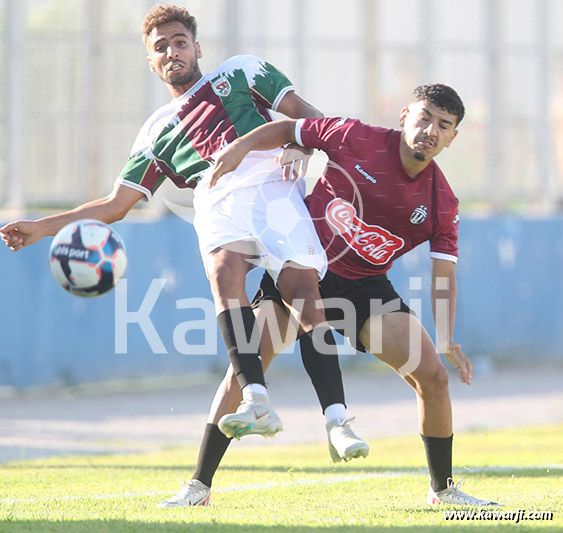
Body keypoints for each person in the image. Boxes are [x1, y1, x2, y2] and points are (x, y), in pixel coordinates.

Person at [0, 3, 368, 467]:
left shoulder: (243, 71)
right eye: (161, 47)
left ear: (197, 47)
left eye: (179, 42)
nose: (172, 51)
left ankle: (337, 419)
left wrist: (297, 142)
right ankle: (256, 398)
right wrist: (41, 227)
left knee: (304, 296)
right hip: (217, 201)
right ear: (151, 62)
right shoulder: (155, 132)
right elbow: (116, 205)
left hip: (274, 188)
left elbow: (310, 116)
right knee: (223, 273)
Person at [168, 83, 502, 508]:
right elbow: (289, 127)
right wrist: (235, 152)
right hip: (301, 270)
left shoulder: (442, 202)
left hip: (364, 288)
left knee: (433, 376)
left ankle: (444, 490)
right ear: (405, 116)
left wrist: (448, 337)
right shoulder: (355, 137)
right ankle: (198, 487)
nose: (430, 130)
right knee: (245, 372)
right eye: (424, 118)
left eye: (444, 125)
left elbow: (444, 276)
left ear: (453, 137)